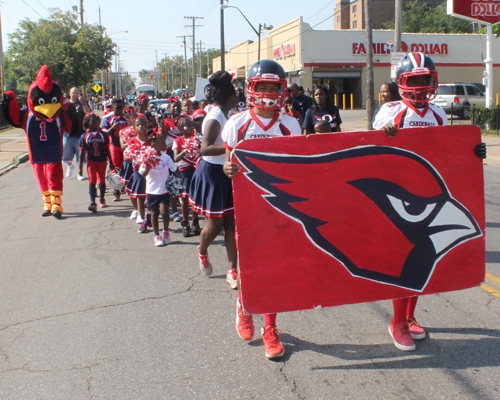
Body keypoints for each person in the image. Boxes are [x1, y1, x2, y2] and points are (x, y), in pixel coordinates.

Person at [373, 51, 486, 351]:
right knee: (404, 261)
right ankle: (396, 321)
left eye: (427, 79)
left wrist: (472, 153)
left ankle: (409, 316)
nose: (423, 85)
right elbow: (371, 154)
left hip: (428, 200)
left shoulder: (437, 114)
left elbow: (444, 155)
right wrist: (384, 136)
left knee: (424, 258)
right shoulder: (390, 111)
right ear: (403, 83)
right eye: (416, 80)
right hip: (398, 198)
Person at [222, 59, 301, 360]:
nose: (268, 92)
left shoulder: (290, 123)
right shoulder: (237, 122)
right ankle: (244, 304)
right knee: (252, 267)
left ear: (282, 89)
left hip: (280, 206)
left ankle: (271, 326)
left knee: (276, 269)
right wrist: (228, 168)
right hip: (248, 207)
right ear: (251, 89)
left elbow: (298, 164)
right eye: (263, 86)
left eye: (274, 87)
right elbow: (229, 163)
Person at [188, 70, 238, 287]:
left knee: (231, 226)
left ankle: (232, 270)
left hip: (228, 173)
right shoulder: (215, 117)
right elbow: (205, 148)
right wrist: (231, 147)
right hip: (212, 175)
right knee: (214, 227)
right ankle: (202, 249)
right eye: (236, 95)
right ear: (230, 97)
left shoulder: (230, 114)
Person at [140, 134, 182, 247]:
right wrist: (148, 165)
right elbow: (143, 173)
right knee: (154, 213)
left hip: (164, 190)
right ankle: (157, 236)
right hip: (151, 191)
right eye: (162, 142)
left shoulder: (166, 158)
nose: (165, 144)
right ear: (154, 144)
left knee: (164, 212)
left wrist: (180, 181)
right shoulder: (147, 157)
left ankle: (166, 231)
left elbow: (175, 169)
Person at [79, 113, 114, 212]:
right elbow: (82, 152)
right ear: (88, 123)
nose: (95, 123)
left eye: (96, 121)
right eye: (92, 121)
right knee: (92, 180)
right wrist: (80, 166)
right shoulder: (85, 136)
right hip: (91, 161)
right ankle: (92, 202)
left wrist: (111, 162)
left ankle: (102, 198)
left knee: (101, 180)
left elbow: (107, 149)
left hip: (102, 160)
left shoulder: (103, 135)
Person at [172, 117, 201, 237]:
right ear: (182, 129)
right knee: (184, 199)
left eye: (191, 125)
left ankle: (195, 221)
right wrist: (185, 151)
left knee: (194, 198)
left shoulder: (196, 139)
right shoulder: (177, 141)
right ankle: (185, 222)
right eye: (188, 126)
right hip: (184, 172)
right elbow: (175, 158)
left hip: (195, 170)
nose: (191, 128)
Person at [125, 114, 150, 233]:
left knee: (150, 194)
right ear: (134, 128)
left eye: (142, 124)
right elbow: (126, 157)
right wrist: (131, 155)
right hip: (138, 171)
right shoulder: (132, 141)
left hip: (150, 171)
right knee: (140, 195)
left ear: (146, 126)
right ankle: (141, 215)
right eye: (137, 125)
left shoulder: (150, 140)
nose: (140, 127)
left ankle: (149, 213)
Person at [101, 98, 127, 201]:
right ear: (113, 107)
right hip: (114, 144)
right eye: (117, 108)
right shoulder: (107, 118)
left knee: (124, 167)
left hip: (125, 145)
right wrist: (113, 128)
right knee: (115, 167)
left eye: (121, 107)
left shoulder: (126, 117)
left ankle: (124, 185)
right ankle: (116, 191)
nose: (120, 110)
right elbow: (104, 134)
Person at [64, 87, 91, 180]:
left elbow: (88, 113)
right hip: (68, 134)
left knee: (81, 156)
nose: (75, 94)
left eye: (77, 93)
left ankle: (80, 173)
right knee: (66, 154)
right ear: (69, 94)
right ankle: (70, 166)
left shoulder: (82, 103)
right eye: (73, 93)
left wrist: (83, 103)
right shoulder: (66, 104)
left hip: (80, 133)